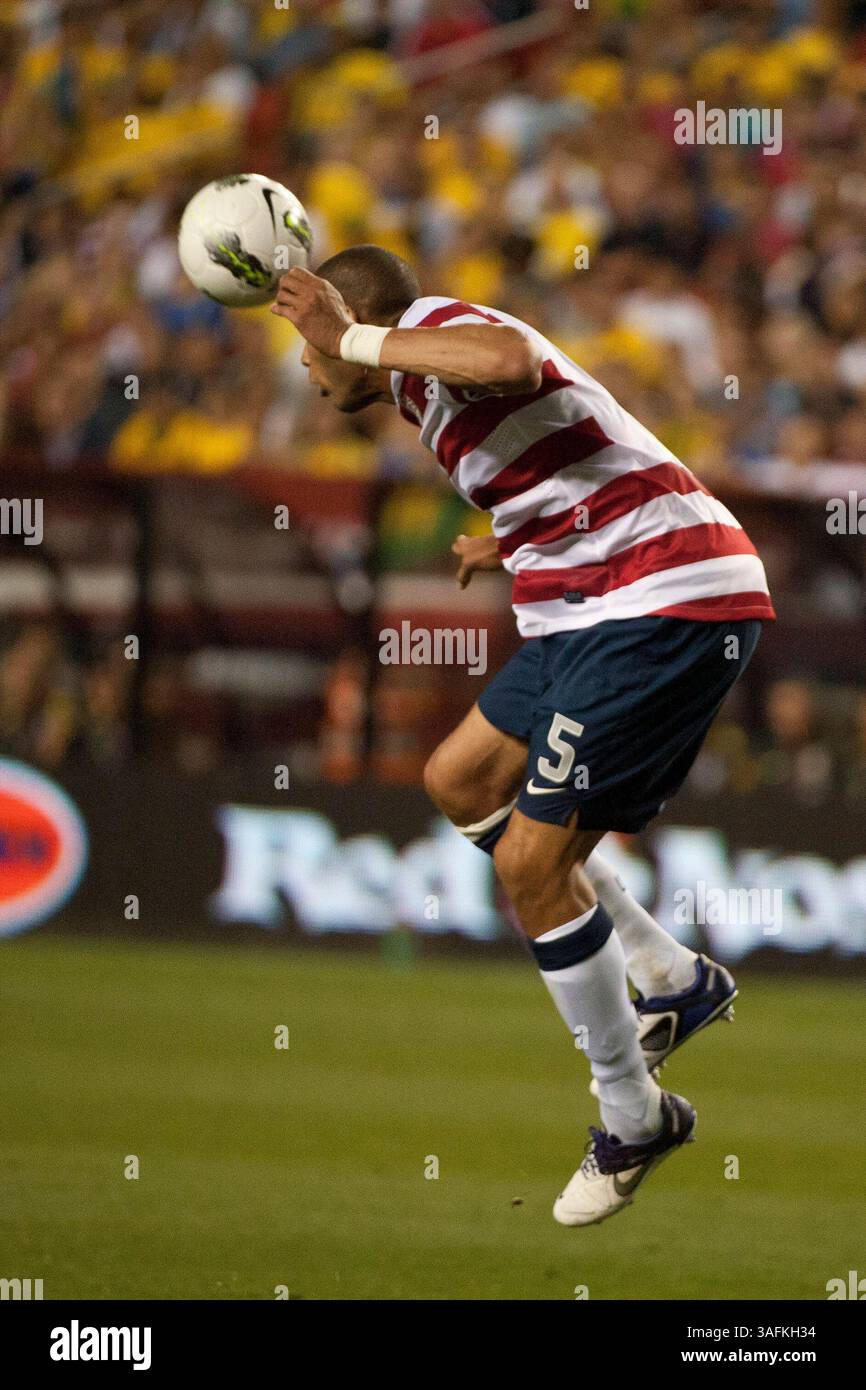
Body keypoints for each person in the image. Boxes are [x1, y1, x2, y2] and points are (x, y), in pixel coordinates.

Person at [271, 246, 775, 1227]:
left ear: (357, 323)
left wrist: (350, 334)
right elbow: (578, 443)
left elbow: (507, 358)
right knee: (458, 780)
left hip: (661, 601)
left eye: (310, 342)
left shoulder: (433, 348)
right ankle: (669, 975)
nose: (307, 362)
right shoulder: (419, 395)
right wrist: (500, 539)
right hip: (578, 604)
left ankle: (632, 1116)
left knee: (531, 864)